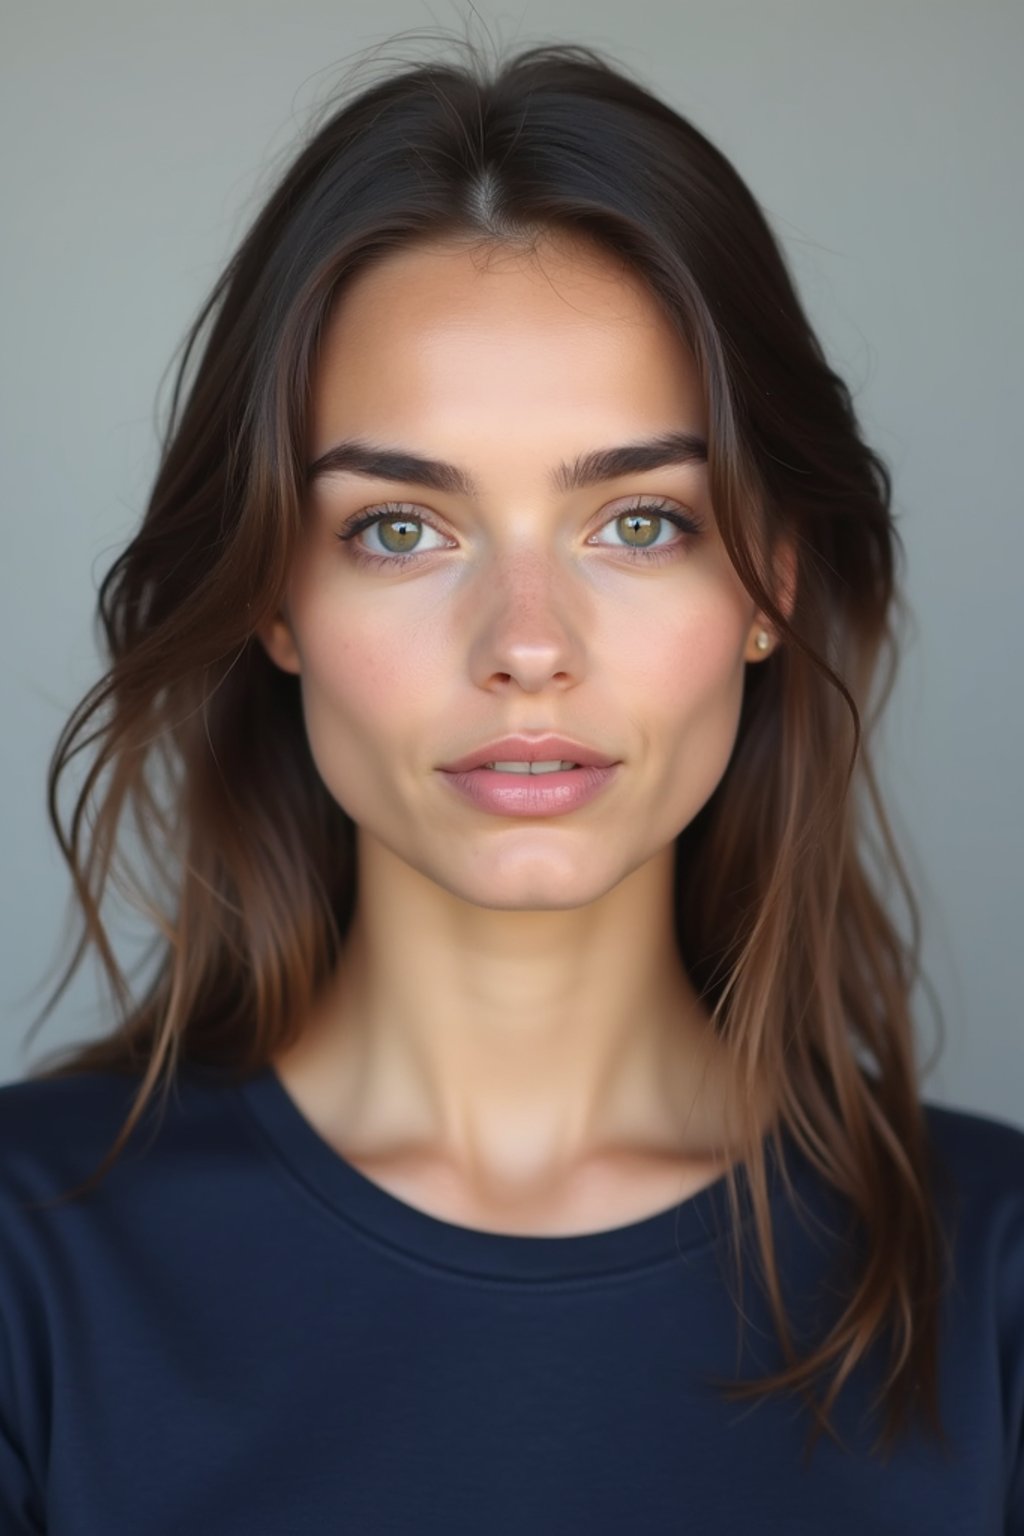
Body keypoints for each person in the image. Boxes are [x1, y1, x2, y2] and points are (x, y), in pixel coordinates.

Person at [2, 32, 1022, 1535]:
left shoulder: (992, 1277)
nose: (528, 648)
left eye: (641, 522)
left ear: (771, 588)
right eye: (403, 529)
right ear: (277, 598)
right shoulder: (30, 1276)